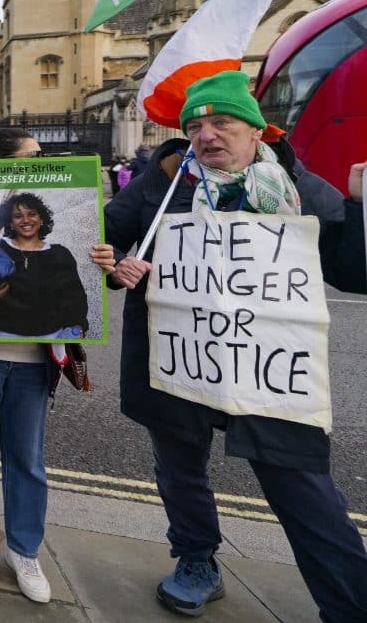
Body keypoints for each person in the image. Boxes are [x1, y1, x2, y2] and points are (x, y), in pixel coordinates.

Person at [105, 70, 367, 619]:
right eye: (195, 126)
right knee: (180, 471)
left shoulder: (295, 184)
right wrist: (117, 265)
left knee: (302, 487)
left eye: (222, 122)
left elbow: (353, 270)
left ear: (255, 131)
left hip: (267, 369)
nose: (207, 135)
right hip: (176, 361)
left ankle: (349, 603)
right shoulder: (162, 180)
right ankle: (196, 560)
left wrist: (361, 208)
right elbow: (103, 240)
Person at [0, 128, 114, 603]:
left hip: (34, 364)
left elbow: (81, 299)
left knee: (27, 460)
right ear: (0, 166)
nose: (41, 160)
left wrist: (107, 264)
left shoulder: (61, 251)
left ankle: (24, 549)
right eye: (32, 155)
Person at [0, 191, 90, 339]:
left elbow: (75, 298)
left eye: (32, 214)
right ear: (10, 222)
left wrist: (78, 327)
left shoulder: (60, 254)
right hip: (5, 338)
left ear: (41, 219)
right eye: (18, 216)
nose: (26, 220)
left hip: (53, 339)